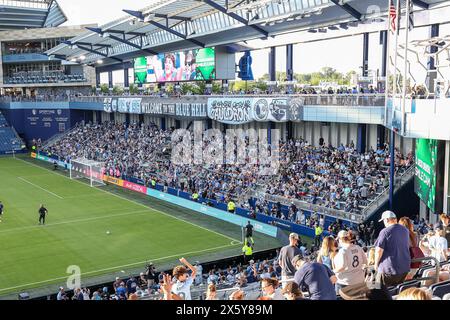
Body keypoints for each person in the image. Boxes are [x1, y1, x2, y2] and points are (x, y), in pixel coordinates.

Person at [374, 211, 411, 287]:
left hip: (389, 270)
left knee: (375, 288)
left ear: (387, 220)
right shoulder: (405, 230)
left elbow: (378, 251)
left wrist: (375, 264)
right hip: (404, 269)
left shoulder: (385, 231)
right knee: (396, 291)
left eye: (383, 221)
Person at [333, 230, 368, 295]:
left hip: (346, 282)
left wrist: (333, 271)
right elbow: (365, 261)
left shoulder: (343, 251)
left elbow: (343, 267)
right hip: (359, 280)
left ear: (340, 240)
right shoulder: (358, 247)